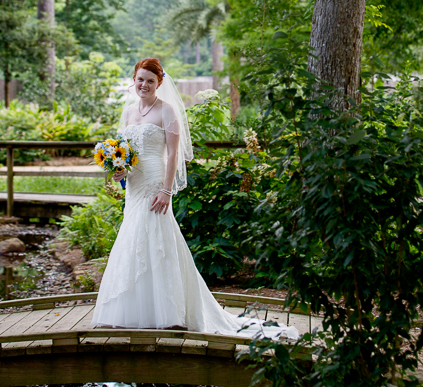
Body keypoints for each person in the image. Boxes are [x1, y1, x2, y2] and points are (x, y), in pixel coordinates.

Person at [91, 58, 297, 339]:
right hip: (135, 186)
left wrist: (166, 190)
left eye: (150, 80)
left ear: (159, 83)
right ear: (134, 79)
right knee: (133, 238)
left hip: (155, 183)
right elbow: (126, 150)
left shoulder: (167, 110)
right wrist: (119, 170)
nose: (144, 85)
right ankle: (135, 311)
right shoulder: (128, 111)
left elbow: (174, 155)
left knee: (158, 239)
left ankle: (172, 313)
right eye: (140, 79)